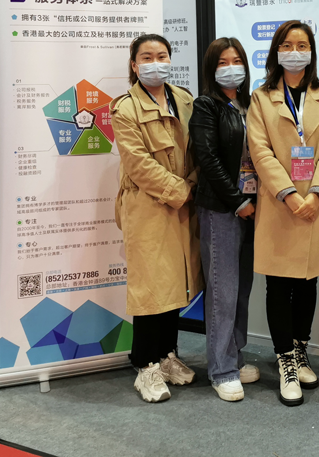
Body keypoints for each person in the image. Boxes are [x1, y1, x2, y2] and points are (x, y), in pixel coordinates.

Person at [246, 20, 319, 407]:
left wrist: (317, 193)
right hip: (279, 204)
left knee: (307, 282)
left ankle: (300, 350)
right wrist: (288, 194)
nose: (295, 51)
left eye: (302, 45)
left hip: (316, 204)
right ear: (276, 51)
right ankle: (285, 357)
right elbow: (260, 151)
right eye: (287, 44)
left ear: (312, 52)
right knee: (278, 285)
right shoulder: (261, 97)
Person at [110, 34, 203, 403]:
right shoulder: (125, 109)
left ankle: (167, 356)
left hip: (183, 205)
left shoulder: (185, 100)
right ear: (134, 65)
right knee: (150, 288)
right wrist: (181, 191)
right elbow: (138, 164)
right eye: (146, 57)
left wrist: (192, 184)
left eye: (161, 56)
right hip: (148, 207)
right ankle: (145, 366)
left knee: (174, 284)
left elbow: (197, 151)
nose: (155, 63)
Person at [189, 37, 260, 402]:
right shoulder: (207, 106)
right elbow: (208, 158)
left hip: (255, 206)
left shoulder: (250, 104)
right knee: (223, 290)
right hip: (223, 208)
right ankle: (221, 369)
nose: (231, 67)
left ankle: (236, 355)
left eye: (236, 61)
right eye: (222, 62)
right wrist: (237, 202)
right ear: (211, 69)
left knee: (242, 288)